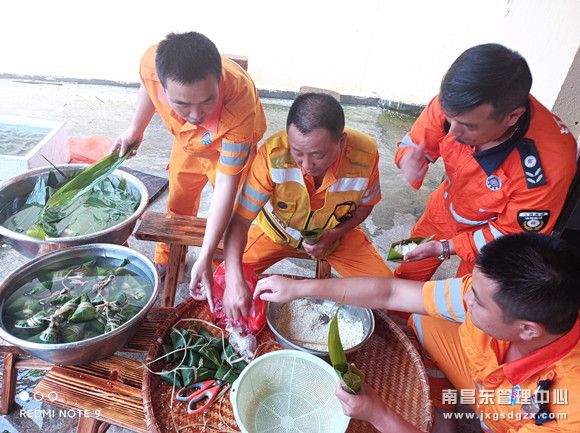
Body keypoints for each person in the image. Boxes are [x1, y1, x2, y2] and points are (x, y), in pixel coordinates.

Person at [255, 232, 580, 433]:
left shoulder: (567, 411)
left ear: (527, 329)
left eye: (478, 301)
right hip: (488, 383)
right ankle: (447, 408)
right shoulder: (495, 296)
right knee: (423, 321)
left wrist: (377, 412)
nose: (467, 298)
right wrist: (301, 288)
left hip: (510, 414)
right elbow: (391, 293)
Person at [394, 43, 577, 281]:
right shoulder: (458, 103)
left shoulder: (549, 166)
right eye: (449, 119)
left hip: (493, 237)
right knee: (405, 272)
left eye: (468, 126)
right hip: (444, 206)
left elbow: (512, 236)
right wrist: (407, 160)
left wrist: (445, 247)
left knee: (470, 295)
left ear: (513, 117)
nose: (452, 132)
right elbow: (414, 141)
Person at [112, 32, 266, 300]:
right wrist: (135, 130)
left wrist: (204, 254)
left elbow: (226, 185)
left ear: (220, 81)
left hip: (227, 145)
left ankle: (215, 265)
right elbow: (148, 87)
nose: (196, 115)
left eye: (208, 100)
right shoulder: (151, 62)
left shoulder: (239, 103)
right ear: (164, 87)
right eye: (182, 104)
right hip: (188, 143)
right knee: (179, 200)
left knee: (232, 211)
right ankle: (168, 256)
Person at [218, 92, 393, 320]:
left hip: (336, 237)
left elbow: (365, 206)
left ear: (341, 142)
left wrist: (333, 235)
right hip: (276, 233)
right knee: (222, 281)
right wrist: (233, 281)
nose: (307, 165)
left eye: (318, 155)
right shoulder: (272, 154)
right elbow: (240, 221)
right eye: (298, 153)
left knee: (388, 292)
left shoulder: (365, 155)